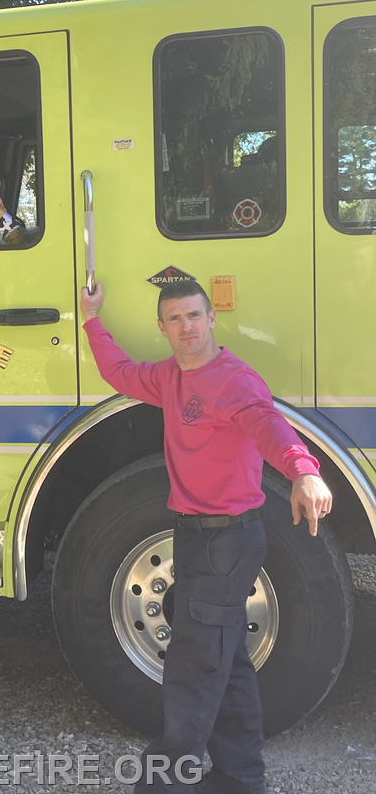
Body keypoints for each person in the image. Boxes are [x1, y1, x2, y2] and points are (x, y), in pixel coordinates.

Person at [80, 280, 332, 794]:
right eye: (174, 319)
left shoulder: (234, 380)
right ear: (163, 327)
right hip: (197, 540)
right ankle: (241, 778)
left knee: (192, 671)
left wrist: (304, 470)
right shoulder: (169, 376)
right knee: (228, 663)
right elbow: (120, 374)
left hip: (227, 544)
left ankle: (165, 781)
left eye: (194, 315)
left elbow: (269, 427)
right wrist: (91, 320)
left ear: (212, 318)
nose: (186, 327)